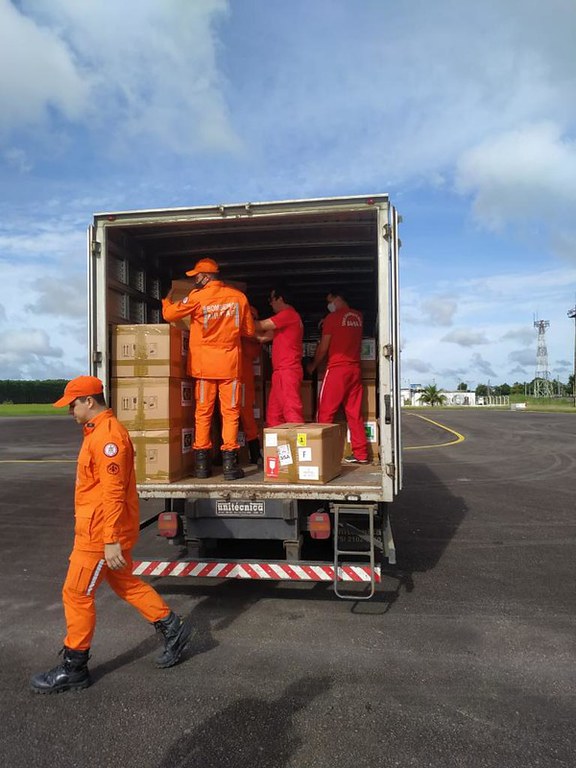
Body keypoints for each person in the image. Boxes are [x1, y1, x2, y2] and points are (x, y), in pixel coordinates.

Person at [30, 376, 193, 694]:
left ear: (89, 401)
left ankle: (74, 668)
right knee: (125, 583)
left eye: (73, 405)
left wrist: (110, 540)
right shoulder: (97, 432)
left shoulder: (108, 437)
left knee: (76, 594)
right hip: (100, 529)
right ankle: (173, 628)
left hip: (99, 534)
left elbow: (113, 493)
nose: (70, 411)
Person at [162, 258, 255, 480]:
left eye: (197, 276)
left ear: (206, 276)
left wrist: (166, 302)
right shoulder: (238, 297)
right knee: (230, 413)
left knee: (203, 413)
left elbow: (169, 315)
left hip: (204, 367)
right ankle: (230, 466)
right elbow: (249, 331)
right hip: (230, 366)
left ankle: (202, 466)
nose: (195, 279)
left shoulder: (197, 297)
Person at [306, 290, 369, 464]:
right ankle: (361, 454)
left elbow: (323, 348)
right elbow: (346, 331)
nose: (329, 305)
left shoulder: (332, 318)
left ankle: (322, 456)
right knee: (355, 414)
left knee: (325, 413)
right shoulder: (358, 317)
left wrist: (313, 365)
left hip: (337, 369)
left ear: (339, 298)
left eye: (330, 300)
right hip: (355, 369)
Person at [255, 283, 304, 427]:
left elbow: (262, 326)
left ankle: (298, 441)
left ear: (280, 299)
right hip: (281, 371)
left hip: (287, 370)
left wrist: (238, 321)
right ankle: (275, 442)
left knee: (292, 412)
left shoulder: (288, 315)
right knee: (274, 416)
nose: (270, 304)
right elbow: (262, 338)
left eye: (271, 300)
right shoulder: (286, 320)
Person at [240, 306, 263, 465]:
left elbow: (253, 350)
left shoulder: (249, 334)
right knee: (224, 416)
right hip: (230, 375)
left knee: (246, 416)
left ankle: (255, 454)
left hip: (242, 377)